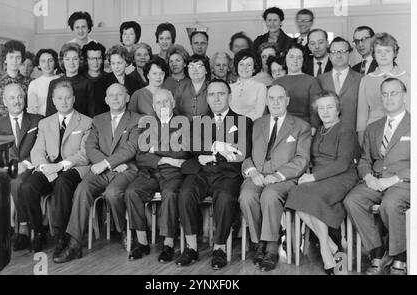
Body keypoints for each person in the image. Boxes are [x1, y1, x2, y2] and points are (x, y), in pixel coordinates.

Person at [54, 83, 142, 263]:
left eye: (119, 95)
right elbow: (90, 147)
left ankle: (124, 229)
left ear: (127, 97)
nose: (115, 98)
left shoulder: (137, 119)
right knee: (82, 189)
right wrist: (107, 164)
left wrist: (107, 163)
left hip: (126, 169)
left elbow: (132, 147)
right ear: (106, 100)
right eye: (111, 95)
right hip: (104, 169)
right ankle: (75, 244)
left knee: (113, 193)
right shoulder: (98, 119)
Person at [176, 78, 253, 270]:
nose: (216, 98)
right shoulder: (198, 121)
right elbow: (193, 148)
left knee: (226, 198)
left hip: (227, 174)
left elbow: (242, 151)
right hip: (200, 172)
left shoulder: (243, 121)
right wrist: (218, 149)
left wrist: (212, 157)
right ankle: (191, 248)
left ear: (229, 95)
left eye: (221, 93)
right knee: (185, 194)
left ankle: (219, 249)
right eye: (211, 94)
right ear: (207, 98)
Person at [285, 92, 360, 275]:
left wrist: (313, 177)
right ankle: (332, 246)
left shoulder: (346, 130)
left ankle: (326, 254)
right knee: (296, 193)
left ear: (338, 109)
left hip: (342, 176)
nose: (325, 112)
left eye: (330, 107)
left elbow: (342, 164)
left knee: (312, 197)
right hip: (320, 177)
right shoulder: (319, 130)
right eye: (321, 108)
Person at [239, 84, 311, 272]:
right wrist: (252, 172)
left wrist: (278, 175)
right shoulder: (257, 124)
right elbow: (245, 155)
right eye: (272, 98)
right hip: (257, 175)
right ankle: (258, 242)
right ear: (266, 101)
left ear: (287, 101)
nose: (276, 102)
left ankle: (271, 247)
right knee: (247, 196)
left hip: (284, 178)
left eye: (280, 98)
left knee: (269, 196)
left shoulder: (301, 126)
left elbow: (302, 158)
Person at [344, 78, 410, 275]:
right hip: (376, 180)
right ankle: (377, 251)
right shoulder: (374, 127)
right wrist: (368, 177)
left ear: (404, 95)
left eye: (394, 93)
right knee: (352, 200)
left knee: (391, 203)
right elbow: (364, 159)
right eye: (385, 94)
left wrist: (394, 179)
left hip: (402, 182)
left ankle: (400, 257)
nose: (389, 98)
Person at [19, 80, 92, 252]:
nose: (64, 102)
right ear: (53, 100)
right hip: (49, 168)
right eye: (59, 98)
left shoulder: (86, 122)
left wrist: (59, 167)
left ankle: (61, 236)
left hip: (73, 168)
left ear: (73, 99)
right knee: (28, 186)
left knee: (62, 183)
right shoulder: (45, 123)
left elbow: (84, 154)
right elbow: (37, 151)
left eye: (67, 98)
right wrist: (46, 168)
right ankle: (38, 231)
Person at [126, 89, 190, 262]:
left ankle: (168, 244)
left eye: (166, 102)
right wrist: (162, 159)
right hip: (150, 172)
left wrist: (154, 149)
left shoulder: (183, 123)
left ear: (173, 103)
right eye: (159, 103)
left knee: (169, 195)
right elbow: (141, 156)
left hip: (173, 174)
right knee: (132, 192)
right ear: (154, 106)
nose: (163, 105)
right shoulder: (147, 124)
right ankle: (142, 242)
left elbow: (182, 152)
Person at [0, 83, 43, 251]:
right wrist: (9, 167)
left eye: (20, 97)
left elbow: (41, 147)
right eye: (12, 98)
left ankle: (23, 228)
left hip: (32, 166)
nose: (17, 101)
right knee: (9, 182)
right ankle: (6, 230)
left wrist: (25, 163)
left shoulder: (37, 120)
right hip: (10, 168)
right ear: (5, 102)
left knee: (17, 182)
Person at [356, 32, 410, 145]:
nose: (383, 55)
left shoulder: (406, 78)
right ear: (373, 54)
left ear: (395, 53)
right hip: (373, 130)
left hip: (401, 130)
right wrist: (362, 139)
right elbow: (362, 113)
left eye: (387, 51)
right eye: (379, 51)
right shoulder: (366, 80)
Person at [272, 44, 322, 134]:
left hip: (305, 128)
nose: (295, 61)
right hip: (281, 128)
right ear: (285, 59)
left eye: (299, 57)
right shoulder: (276, 83)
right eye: (291, 57)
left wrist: (314, 127)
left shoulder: (312, 81)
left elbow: (316, 109)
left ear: (303, 60)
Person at [317, 37, 363, 131]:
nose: (338, 55)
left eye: (342, 51)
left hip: (352, 135)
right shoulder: (319, 80)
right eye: (334, 52)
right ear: (329, 55)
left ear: (349, 53)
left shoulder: (361, 79)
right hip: (326, 135)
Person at [0, 40, 32, 128]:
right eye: (11, 57)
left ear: (22, 60)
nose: (14, 61)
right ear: (5, 59)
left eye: (18, 57)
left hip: (20, 126)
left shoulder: (28, 82)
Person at [45, 43, 95, 118]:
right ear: (62, 61)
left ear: (80, 60)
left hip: (81, 126)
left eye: (75, 59)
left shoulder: (87, 83)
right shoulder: (53, 83)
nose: (71, 62)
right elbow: (49, 113)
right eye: (67, 59)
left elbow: (91, 113)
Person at [95, 45, 144, 115]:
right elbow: (100, 108)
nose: (116, 67)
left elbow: (138, 106)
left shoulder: (135, 82)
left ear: (126, 63)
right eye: (113, 63)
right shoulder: (101, 82)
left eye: (119, 63)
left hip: (131, 119)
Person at [229, 49, 267, 121]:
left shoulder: (260, 87)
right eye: (241, 64)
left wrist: (240, 123)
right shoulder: (230, 87)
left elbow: (259, 114)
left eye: (249, 65)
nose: (244, 68)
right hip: (230, 127)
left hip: (251, 126)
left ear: (254, 68)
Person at [174, 54, 211, 121]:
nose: (194, 69)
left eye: (199, 66)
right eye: (191, 66)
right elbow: (175, 111)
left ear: (206, 70)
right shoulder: (181, 88)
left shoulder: (212, 88)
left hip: (208, 128)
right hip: (185, 128)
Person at [27, 49, 60, 116]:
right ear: (38, 65)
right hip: (40, 120)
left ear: (55, 62)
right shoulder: (34, 84)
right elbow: (32, 110)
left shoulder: (61, 80)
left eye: (50, 60)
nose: (47, 64)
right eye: (43, 61)